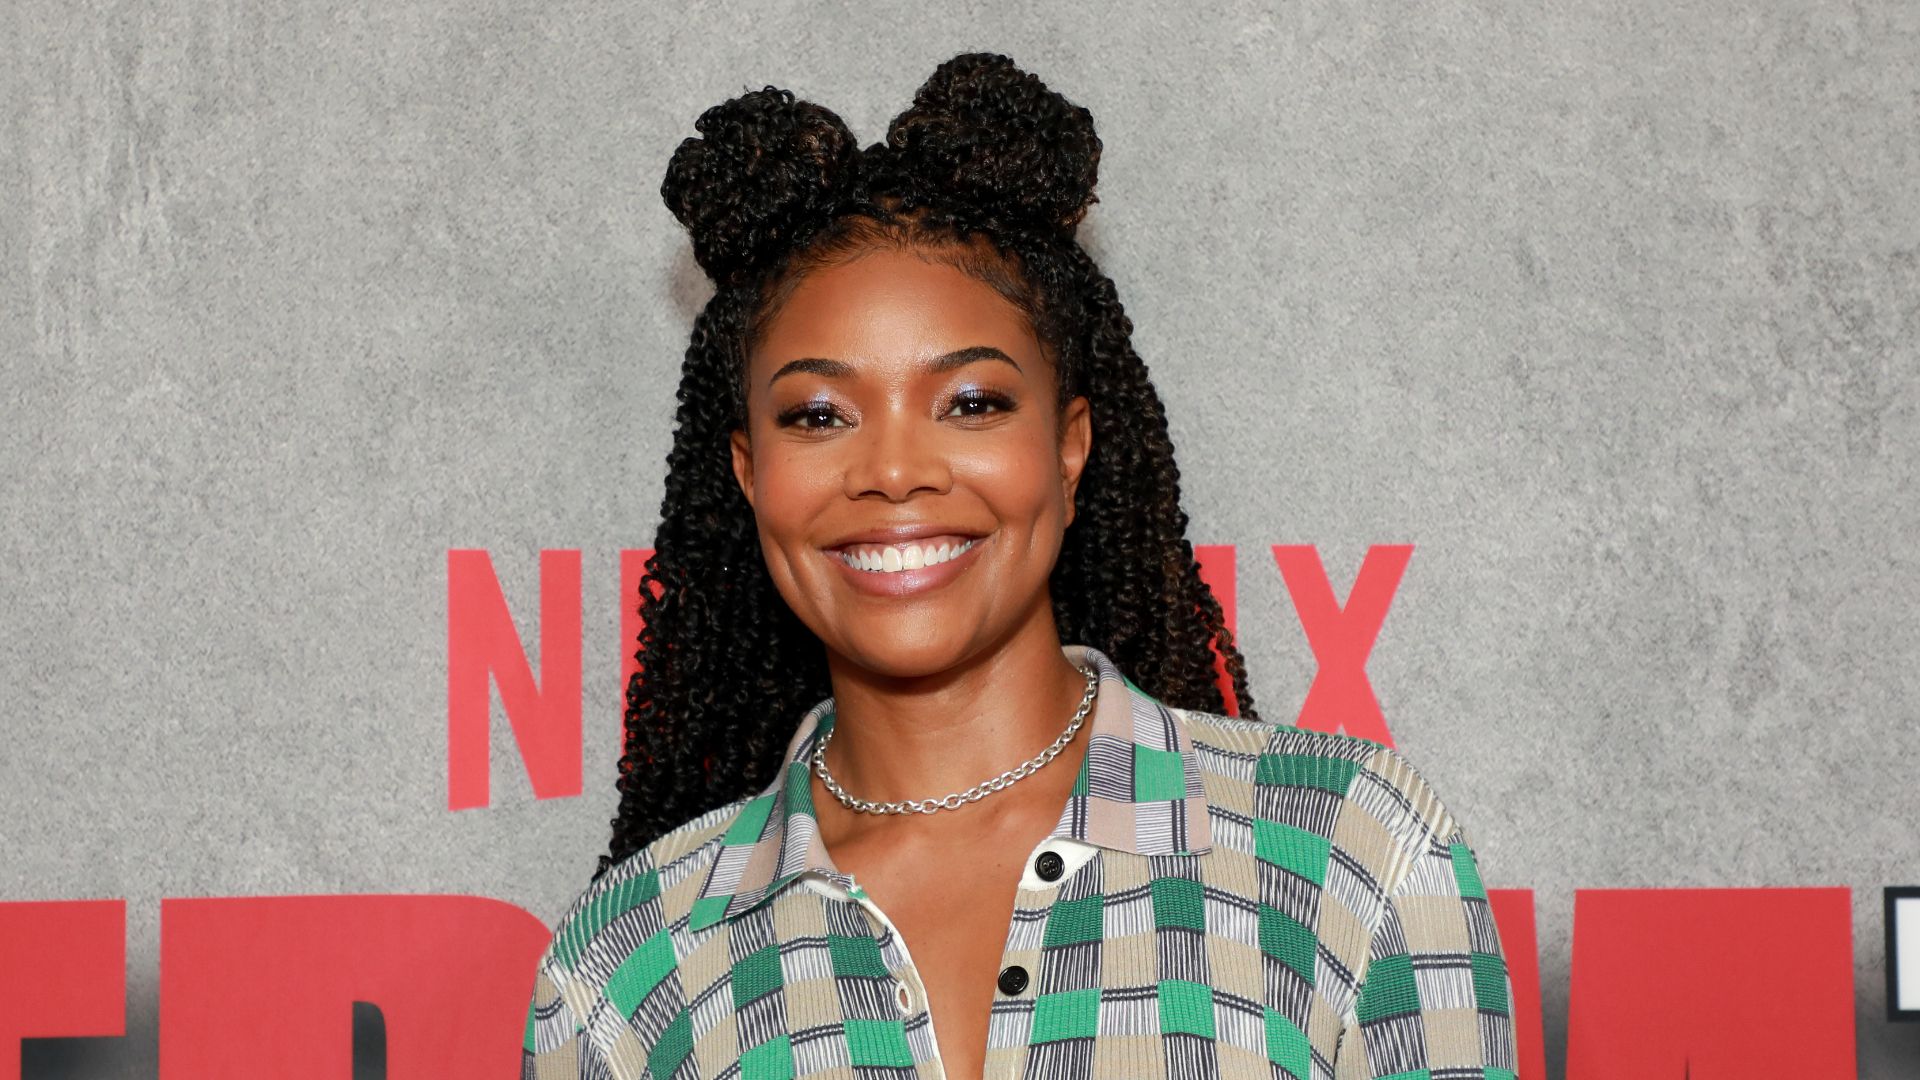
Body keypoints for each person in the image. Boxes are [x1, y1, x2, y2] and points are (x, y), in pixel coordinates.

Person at [522, 52, 1516, 1080]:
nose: (894, 470)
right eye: (819, 415)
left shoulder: (1351, 860)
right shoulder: (626, 971)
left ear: (1071, 443)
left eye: (973, 403)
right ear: (747, 472)